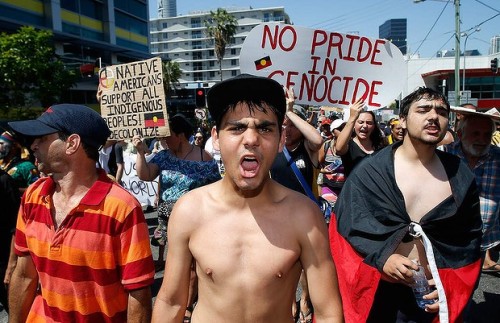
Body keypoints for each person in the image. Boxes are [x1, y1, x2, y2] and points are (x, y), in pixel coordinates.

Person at [151, 74, 343, 323]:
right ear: (216, 138)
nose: (251, 139)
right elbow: (170, 301)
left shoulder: (304, 216)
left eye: (265, 128)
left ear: (281, 139)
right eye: (237, 127)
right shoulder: (189, 210)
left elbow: (328, 311)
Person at [329, 87, 483, 322]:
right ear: (402, 120)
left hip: (432, 293)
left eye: (442, 112)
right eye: (423, 109)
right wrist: (382, 259)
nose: (433, 116)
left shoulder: (460, 174)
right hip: (379, 293)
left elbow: (468, 242)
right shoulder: (370, 171)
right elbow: (346, 230)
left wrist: (447, 288)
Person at [7, 104, 155, 322]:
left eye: (43, 138)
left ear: (72, 143)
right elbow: (24, 275)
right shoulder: (33, 196)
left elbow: (138, 294)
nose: (33, 145)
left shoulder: (122, 208)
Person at [133, 114, 221, 321]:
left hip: (197, 222)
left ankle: (187, 305)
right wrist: (139, 152)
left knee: (191, 266)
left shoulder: (203, 157)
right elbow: (144, 175)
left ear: (181, 135)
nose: (163, 140)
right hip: (168, 222)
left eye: (167, 135)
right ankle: (174, 302)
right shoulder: (163, 156)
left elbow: (217, 188)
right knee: (176, 266)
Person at [269, 87, 324, 322]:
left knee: (306, 264)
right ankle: (290, 302)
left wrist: (290, 112)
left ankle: (305, 300)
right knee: (285, 264)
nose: (287, 130)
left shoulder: (308, 150)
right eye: (283, 126)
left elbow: (318, 138)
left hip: (307, 217)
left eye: (291, 125)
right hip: (279, 215)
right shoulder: (274, 151)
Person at [444, 107, 500, 273]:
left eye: (487, 135)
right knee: (443, 285)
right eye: (475, 133)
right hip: (446, 240)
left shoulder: (498, 158)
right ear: (460, 134)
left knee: (470, 285)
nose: (482, 139)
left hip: (481, 241)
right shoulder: (444, 155)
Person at [334, 99, 385, 177]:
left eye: (369, 123)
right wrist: (352, 117)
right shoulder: (349, 145)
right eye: (360, 122)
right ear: (354, 125)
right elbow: (339, 148)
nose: (365, 126)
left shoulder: (381, 145)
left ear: (374, 126)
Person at [0, 168, 21, 314]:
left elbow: (17, 225)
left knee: (14, 309)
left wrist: (11, 265)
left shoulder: (4, 181)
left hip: (3, 258)